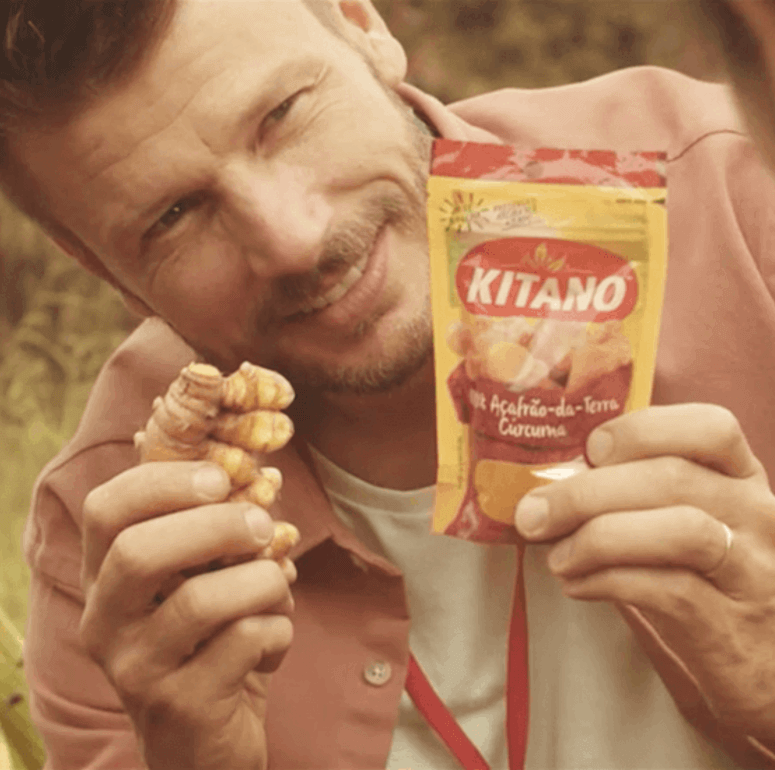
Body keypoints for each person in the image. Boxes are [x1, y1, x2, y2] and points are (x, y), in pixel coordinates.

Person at [4, 0, 775, 768]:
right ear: (98, 265)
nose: (293, 238)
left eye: (282, 114)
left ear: (363, 28)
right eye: (173, 215)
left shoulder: (746, 204)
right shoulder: (109, 547)